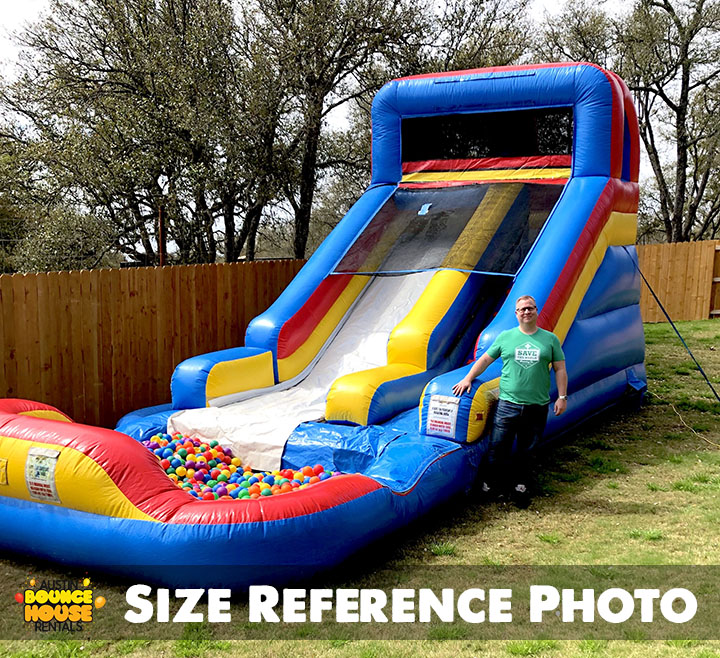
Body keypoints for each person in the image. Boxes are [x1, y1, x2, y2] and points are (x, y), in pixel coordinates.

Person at [452, 295, 568, 507]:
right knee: (498, 447)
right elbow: (486, 359)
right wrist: (467, 378)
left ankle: (521, 487)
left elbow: (560, 368)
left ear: (536, 311)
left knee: (527, 449)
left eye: (530, 308)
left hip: (537, 405)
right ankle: (490, 486)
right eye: (522, 309)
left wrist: (562, 397)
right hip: (508, 404)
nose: (526, 312)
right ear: (516, 314)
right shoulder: (506, 337)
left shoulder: (549, 339)